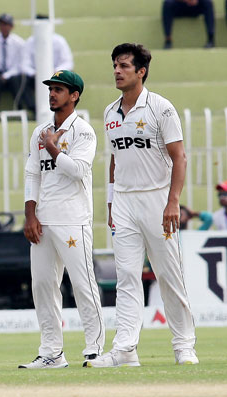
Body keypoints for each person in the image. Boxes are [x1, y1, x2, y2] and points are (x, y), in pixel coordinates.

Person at [89, 43, 198, 367]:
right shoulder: (110, 112)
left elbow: (179, 157)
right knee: (126, 276)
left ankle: (184, 346)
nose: (117, 71)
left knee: (168, 275)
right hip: (123, 201)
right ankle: (125, 349)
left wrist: (172, 202)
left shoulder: (161, 108)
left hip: (157, 199)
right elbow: (114, 161)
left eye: (123, 66)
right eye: (114, 66)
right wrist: (110, 203)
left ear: (141, 71)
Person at [20, 70, 105, 369]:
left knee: (83, 285)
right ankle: (52, 352)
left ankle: (94, 349)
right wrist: (30, 214)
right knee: (42, 285)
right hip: (42, 220)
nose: (52, 94)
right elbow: (33, 174)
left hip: (73, 219)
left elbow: (78, 170)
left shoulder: (84, 132)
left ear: (75, 95)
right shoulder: (40, 131)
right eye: (51, 89)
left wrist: (54, 148)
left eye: (59, 89)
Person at [20, 16, 74, 114]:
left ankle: (63, 108)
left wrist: (56, 71)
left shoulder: (59, 41)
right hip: (35, 76)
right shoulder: (30, 42)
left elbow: (68, 62)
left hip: (57, 75)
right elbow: (24, 64)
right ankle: (34, 110)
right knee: (21, 80)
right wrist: (35, 73)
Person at [0, 13, 30, 115]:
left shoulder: (19, 43)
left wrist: (6, 76)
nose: (3, 27)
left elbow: (20, 65)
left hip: (12, 74)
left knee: (16, 80)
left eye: (6, 24)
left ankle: (19, 107)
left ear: (11, 26)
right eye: (1, 24)